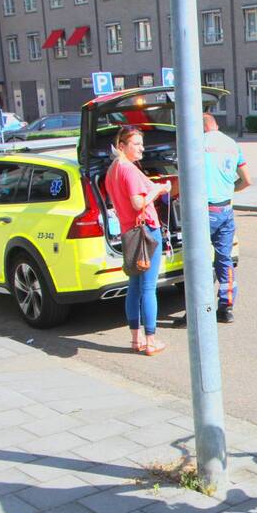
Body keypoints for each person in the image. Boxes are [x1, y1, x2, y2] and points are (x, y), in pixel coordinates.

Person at [106, 126, 172, 356]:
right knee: (148, 288)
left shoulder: (113, 169)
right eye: (137, 144)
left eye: (142, 144)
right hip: (145, 233)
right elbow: (137, 202)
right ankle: (151, 341)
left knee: (134, 287)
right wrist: (160, 189)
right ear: (122, 146)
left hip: (129, 234)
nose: (142, 148)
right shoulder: (129, 170)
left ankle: (136, 339)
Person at [202, 113, 251, 323]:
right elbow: (247, 180)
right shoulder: (231, 143)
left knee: (200, 261)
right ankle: (226, 306)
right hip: (225, 210)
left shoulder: (197, 143)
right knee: (224, 258)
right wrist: (230, 190)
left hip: (204, 211)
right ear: (216, 125)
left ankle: (199, 306)